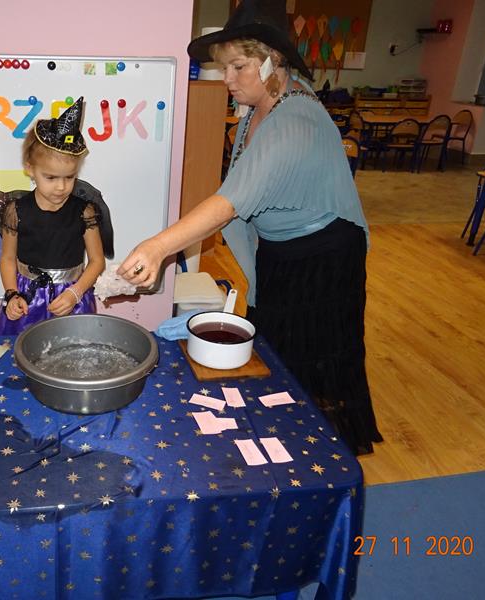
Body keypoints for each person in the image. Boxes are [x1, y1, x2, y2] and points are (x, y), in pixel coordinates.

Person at [118, 0, 382, 455]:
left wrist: (159, 247)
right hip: (283, 250)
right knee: (276, 344)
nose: (228, 79)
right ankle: (284, 435)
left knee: (313, 351)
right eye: (225, 68)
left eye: (238, 67)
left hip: (322, 256)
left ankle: (319, 452)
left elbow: (231, 202)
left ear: (271, 61)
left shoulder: (294, 121)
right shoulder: (263, 105)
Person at [0, 96, 111, 336]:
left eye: (69, 177)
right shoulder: (15, 210)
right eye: (51, 177)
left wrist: (75, 293)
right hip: (27, 300)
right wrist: (12, 294)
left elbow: (97, 261)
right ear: (30, 168)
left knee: (72, 351)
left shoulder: (84, 211)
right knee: (23, 350)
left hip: (71, 300)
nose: (61, 187)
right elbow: (8, 258)